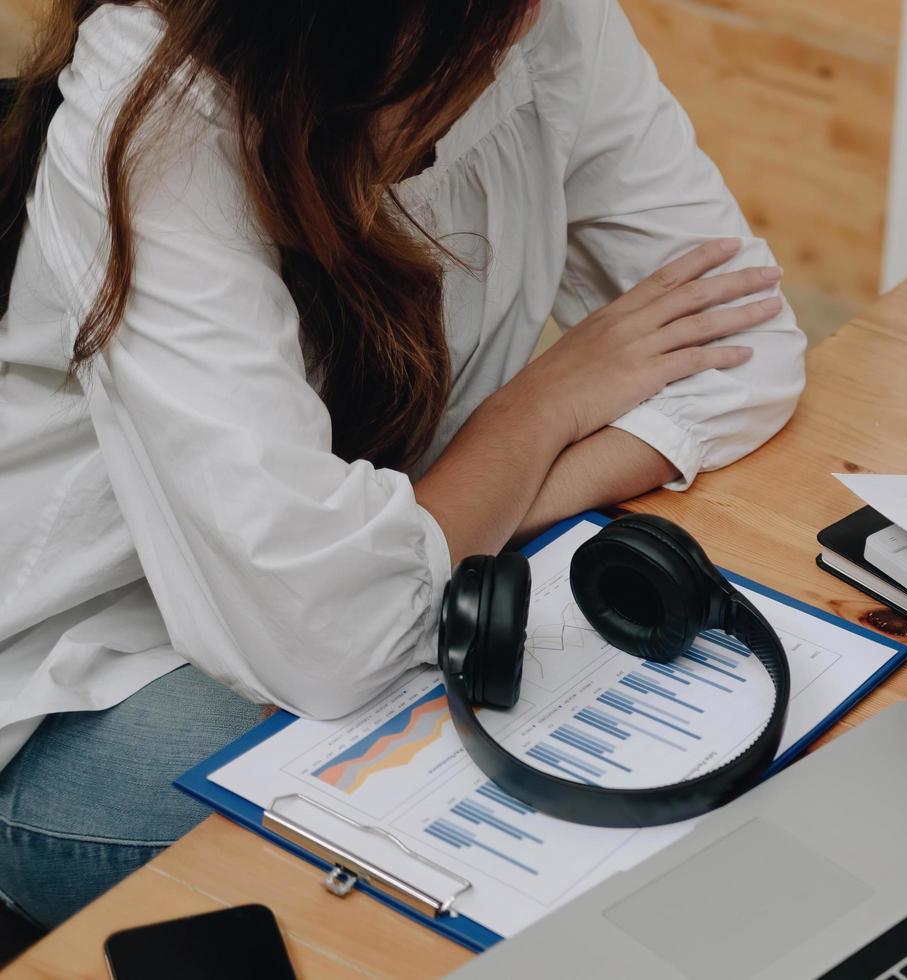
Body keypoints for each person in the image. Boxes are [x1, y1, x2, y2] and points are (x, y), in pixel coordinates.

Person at [0, 0, 806, 927]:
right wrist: (539, 408)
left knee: (647, 775)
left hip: (380, 575)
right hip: (78, 665)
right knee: (470, 852)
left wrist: (484, 505)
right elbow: (331, 640)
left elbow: (749, 344)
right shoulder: (159, 105)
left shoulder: (537, 22)